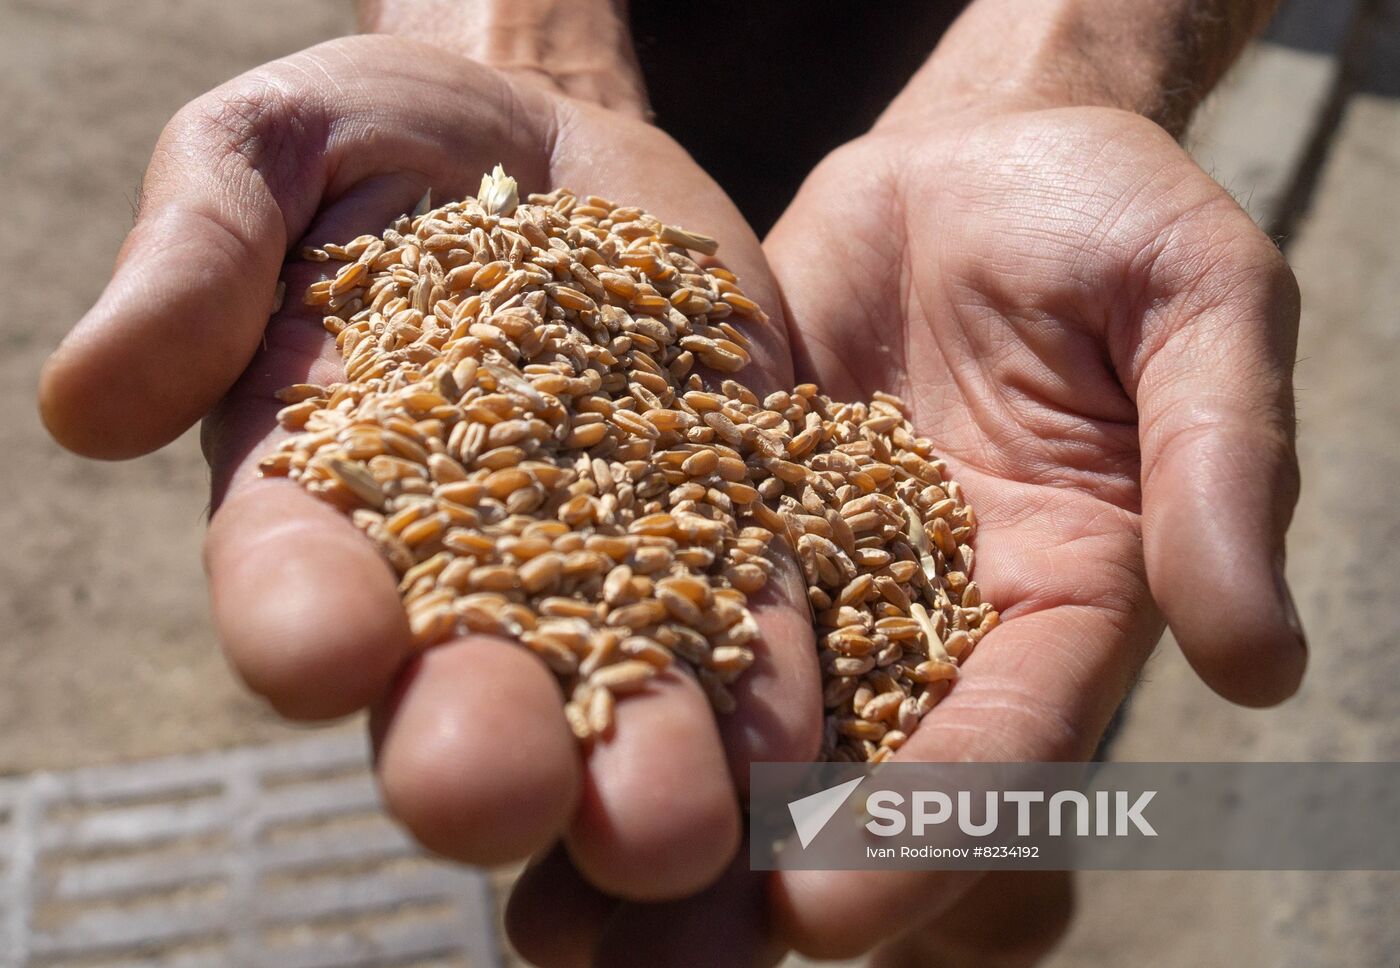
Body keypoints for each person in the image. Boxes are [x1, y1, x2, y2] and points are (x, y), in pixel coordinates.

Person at [38, 1, 1306, 964]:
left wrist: (1066, 63)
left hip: (971, 305)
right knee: (652, 809)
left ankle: (982, 925)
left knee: (977, 832)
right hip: (586, 155)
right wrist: (516, 43)